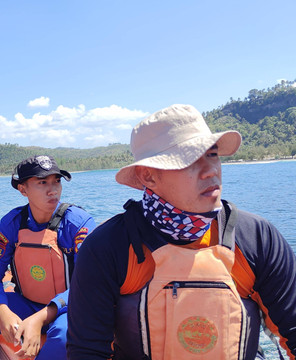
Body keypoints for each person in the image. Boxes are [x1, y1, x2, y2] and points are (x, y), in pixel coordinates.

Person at [67, 104, 296, 359]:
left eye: (212, 154)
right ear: (148, 176)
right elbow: (88, 351)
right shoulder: (108, 248)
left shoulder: (257, 239)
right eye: (190, 159)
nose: (212, 170)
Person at [0, 155, 97, 360]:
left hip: (69, 309)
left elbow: (91, 284)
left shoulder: (78, 223)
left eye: (56, 181)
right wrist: (3, 312)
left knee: (63, 338)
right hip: (27, 303)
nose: (52, 189)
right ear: (23, 189)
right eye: (42, 182)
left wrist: (39, 319)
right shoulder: (12, 223)